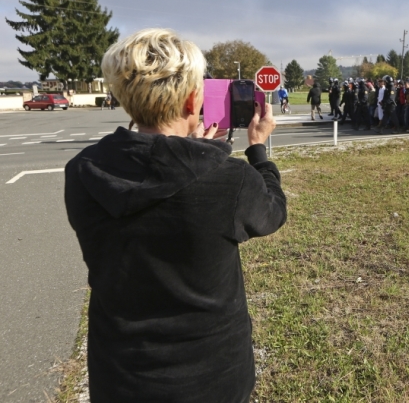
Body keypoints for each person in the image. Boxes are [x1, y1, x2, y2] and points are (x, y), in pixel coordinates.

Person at [64, 28, 287, 403]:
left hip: (121, 374)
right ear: (191, 100)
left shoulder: (83, 170)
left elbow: (153, 173)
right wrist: (258, 150)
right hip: (213, 375)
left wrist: (192, 149)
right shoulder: (229, 179)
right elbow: (273, 212)